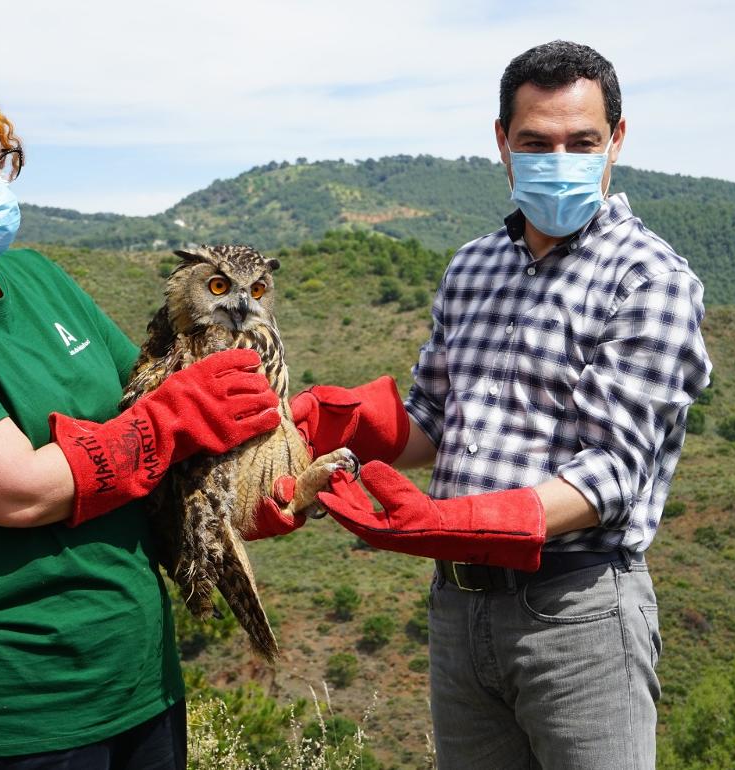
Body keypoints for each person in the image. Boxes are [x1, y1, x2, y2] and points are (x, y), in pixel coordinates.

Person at [269, 41, 712, 768]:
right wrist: (343, 423)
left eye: (582, 142)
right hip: (457, 611)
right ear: (502, 143)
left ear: (618, 142)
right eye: (536, 142)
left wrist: (451, 521)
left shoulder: (651, 280)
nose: (559, 158)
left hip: (578, 614)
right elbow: (434, 424)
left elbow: (610, 476)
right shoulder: (473, 266)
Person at [0, 73, 281, 769]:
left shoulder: (38, 277)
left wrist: (264, 468)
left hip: (135, 678)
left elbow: (149, 390)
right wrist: (173, 424)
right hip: (10, 706)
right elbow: (19, 491)